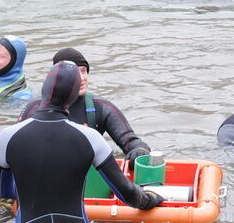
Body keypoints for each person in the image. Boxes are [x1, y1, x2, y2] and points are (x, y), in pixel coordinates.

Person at [0, 61, 165, 223]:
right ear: (73, 96)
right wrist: (150, 199)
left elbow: (3, 191)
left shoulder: (8, 136)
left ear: (44, 90)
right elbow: (126, 194)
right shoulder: (90, 137)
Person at [19, 48, 151, 164]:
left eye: (84, 71)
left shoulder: (101, 107)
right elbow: (16, 148)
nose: (81, 78)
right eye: (75, 73)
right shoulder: (34, 108)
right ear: (59, 77)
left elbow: (130, 140)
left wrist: (140, 150)